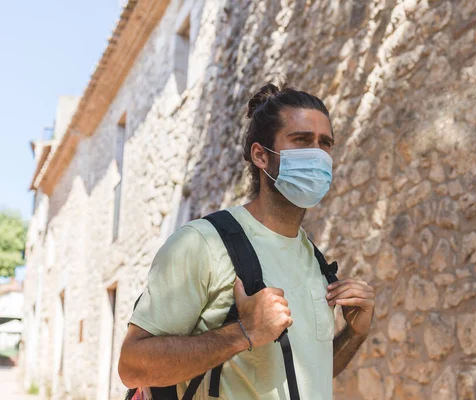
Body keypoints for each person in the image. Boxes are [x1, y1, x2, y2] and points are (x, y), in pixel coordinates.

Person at [118, 83, 375, 400]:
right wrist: (244, 333)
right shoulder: (203, 244)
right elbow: (132, 366)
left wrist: (355, 332)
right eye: (302, 141)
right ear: (261, 155)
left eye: (325, 144)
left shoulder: (314, 259)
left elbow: (304, 373)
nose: (318, 155)